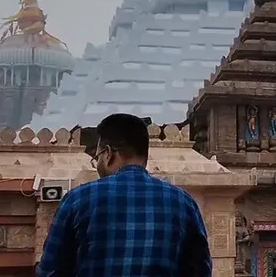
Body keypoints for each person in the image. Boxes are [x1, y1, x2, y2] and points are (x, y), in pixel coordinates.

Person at [37, 113, 212, 276]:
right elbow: (200, 270)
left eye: (97, 157)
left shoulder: (78, 199)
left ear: (108, 154)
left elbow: (50, 270)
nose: (97, 164)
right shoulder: (183, 203)